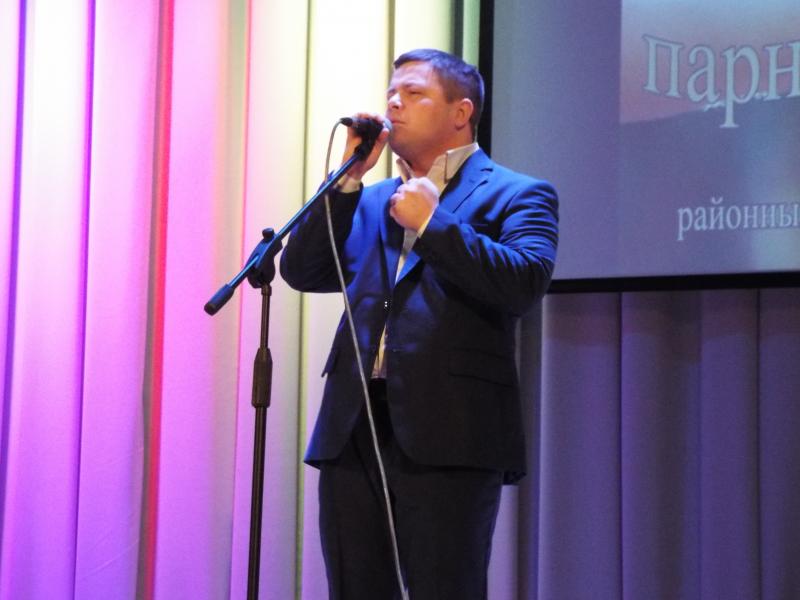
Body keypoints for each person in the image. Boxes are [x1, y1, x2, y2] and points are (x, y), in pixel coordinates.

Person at [279, 48, 558, 599]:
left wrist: (434, 224)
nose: (394, 104)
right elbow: (303, 271)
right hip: (354, 428)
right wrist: (345, 182)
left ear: (460, 112)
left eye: (414, 93)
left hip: (452, 431)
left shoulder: (518, 192)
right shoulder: (368, 199)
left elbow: (523, 283)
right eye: (391, 93)